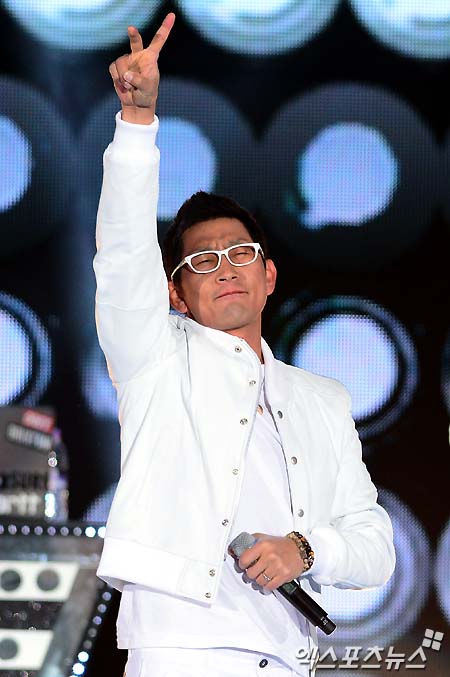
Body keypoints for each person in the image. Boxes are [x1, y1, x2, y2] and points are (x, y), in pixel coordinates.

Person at [94, 12, 395, 677]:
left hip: (288, 655)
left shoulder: (322, 397)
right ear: (176, 294)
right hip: (182, 649)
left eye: (240, 253)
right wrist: (137, 122)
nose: (224, 268)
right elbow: (122, 258)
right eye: (202, 261)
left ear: (269, 275)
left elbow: (375, 543)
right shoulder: (155, 359)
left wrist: (306, 549)